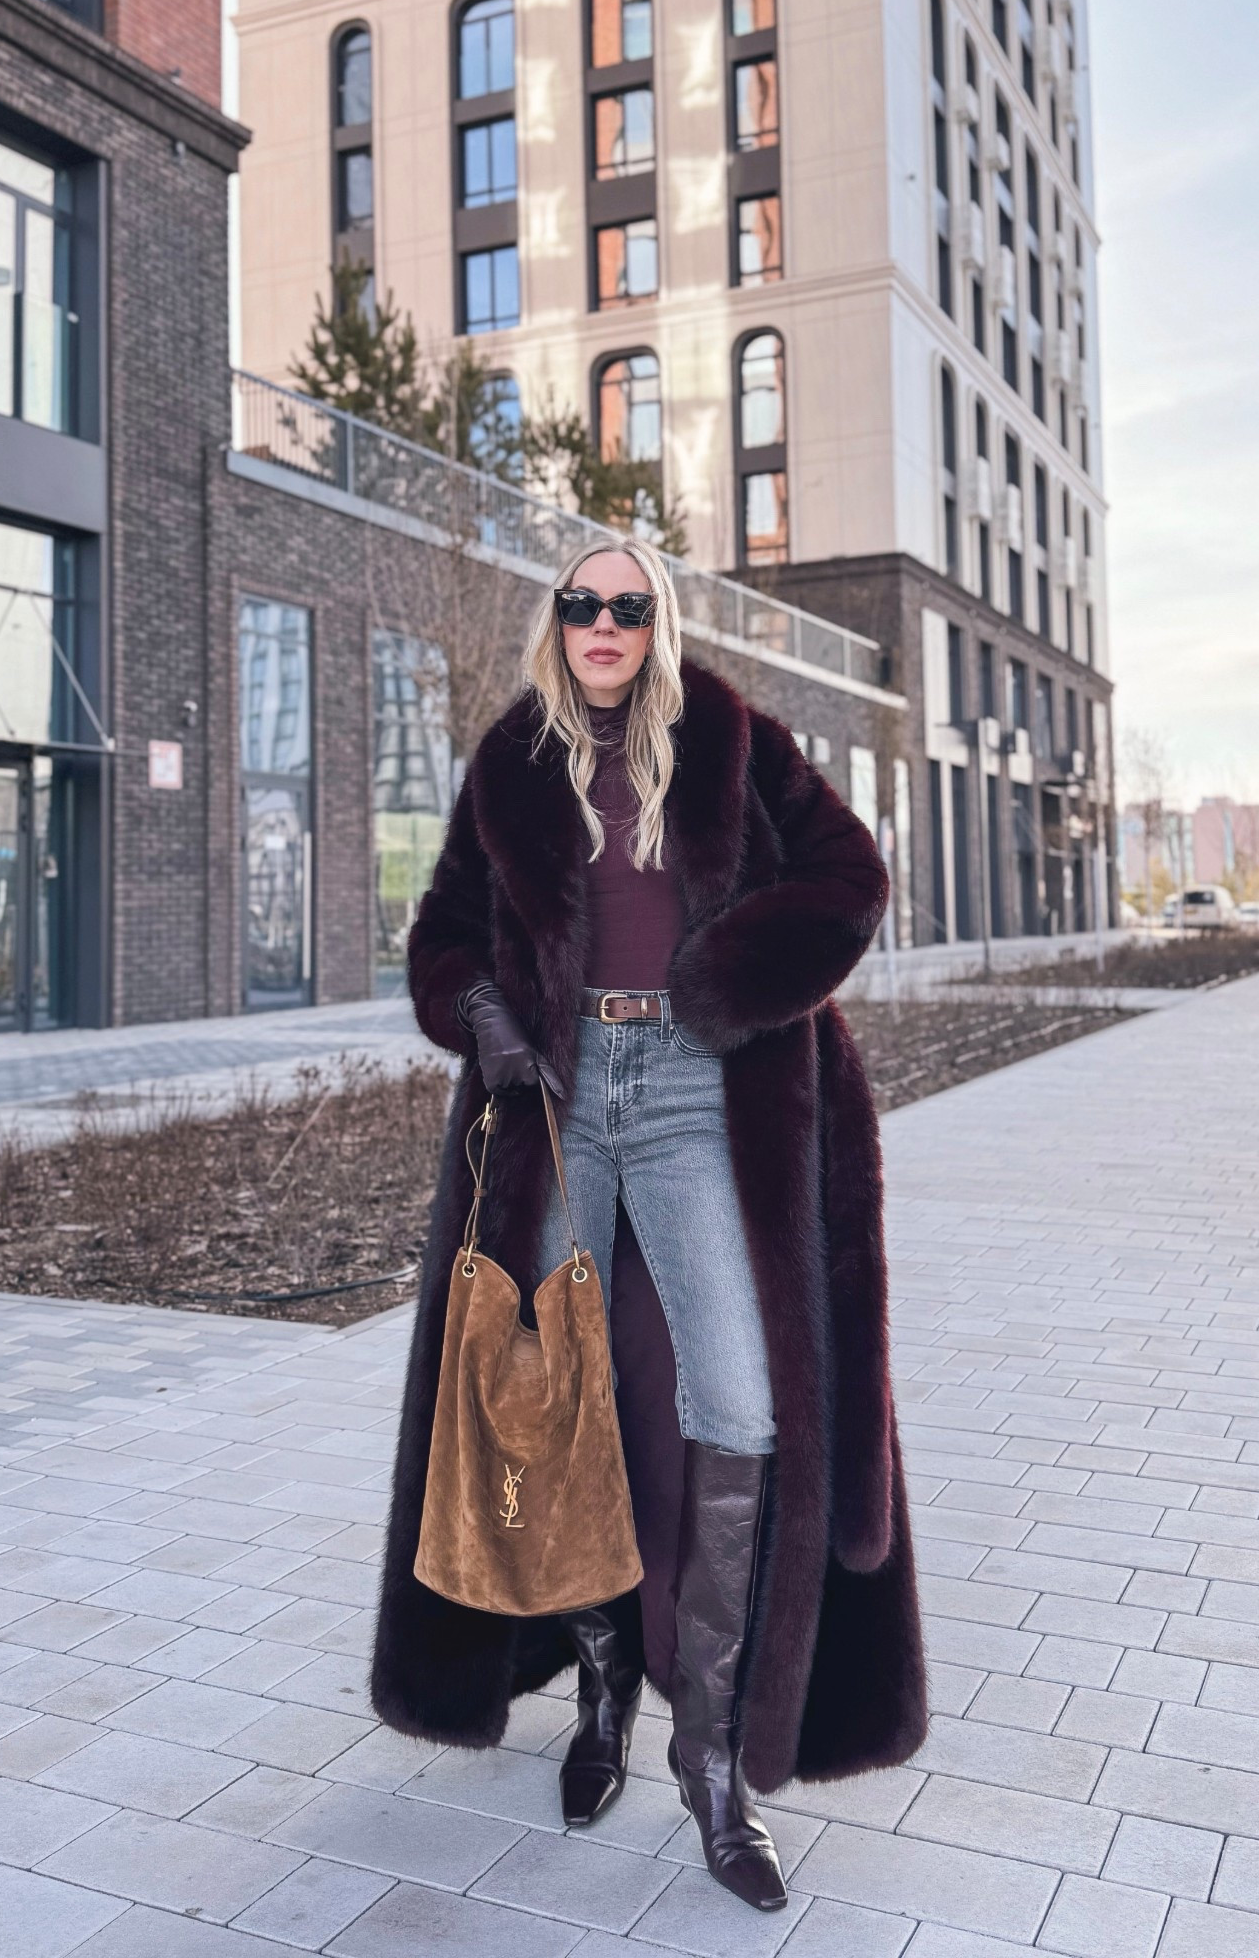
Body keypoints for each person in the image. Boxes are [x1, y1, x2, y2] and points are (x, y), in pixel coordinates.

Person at [371, 535, 927, 1911]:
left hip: (694, 1090)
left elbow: (852, 878)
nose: (605, 623)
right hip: (557, 1099)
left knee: (737, 1397)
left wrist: (721, 982)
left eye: (629, 605)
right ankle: (605, 1681)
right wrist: (482, 1011)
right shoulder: (511, 758)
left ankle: (712, 1757)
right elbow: (439, 930)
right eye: (583, 605)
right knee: (558, 1400)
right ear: (557, 623)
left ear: (657, 621)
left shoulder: (733, 739)